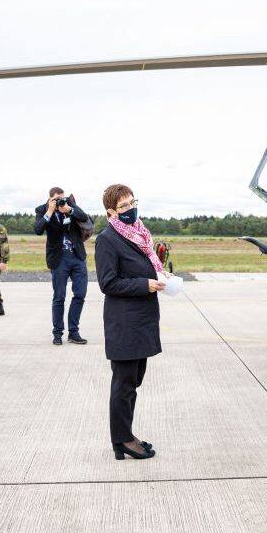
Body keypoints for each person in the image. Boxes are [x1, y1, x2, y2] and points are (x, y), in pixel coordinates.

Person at [95, 184, 165, 460]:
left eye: (132, 202)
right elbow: (108, 282)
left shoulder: (139, 234)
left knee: (133, 382)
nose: (130, 208)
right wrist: (144, 284)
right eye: (123, 206)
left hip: (142, 320)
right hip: (124, 323)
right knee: (123, 384)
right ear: (111, 211)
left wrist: (160, 277)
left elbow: (143, 266)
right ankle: (121, 440)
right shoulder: (107, 239)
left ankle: (127, 434)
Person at [34, 187, 89, 345]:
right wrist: (50, 211)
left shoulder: (69, 204)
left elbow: (84, 217)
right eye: (57, 198)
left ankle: (74, 332)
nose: (60, 201)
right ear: (50, 198)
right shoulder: (42, 209)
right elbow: (38, 230)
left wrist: (69, 210)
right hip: (59, 258)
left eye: (62, 198)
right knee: (59, 296)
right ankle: (57, 333)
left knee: (80, 294)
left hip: (77, 255)